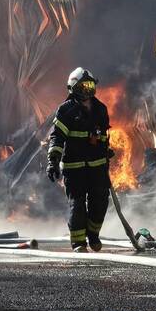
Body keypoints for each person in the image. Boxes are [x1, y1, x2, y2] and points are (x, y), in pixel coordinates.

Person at [46, 67, 113, 252]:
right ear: (74, 88)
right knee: (77, 205)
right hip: (74, 167)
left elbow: (103, 135)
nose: (88, 90)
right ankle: (78, 243)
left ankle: (93, 235)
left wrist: (105, 150)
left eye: (91, 85)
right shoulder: (66, 111)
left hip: (97, 166)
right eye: (84, 86)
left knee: (100, 201)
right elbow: (57, 137)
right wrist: (53, 160)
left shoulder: (100, 109)